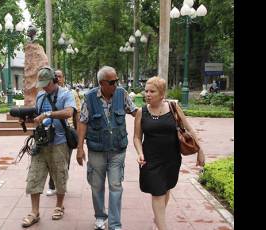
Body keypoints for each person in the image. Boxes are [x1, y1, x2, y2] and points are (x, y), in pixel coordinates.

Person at [133, 76, 205, 230]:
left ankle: (158, 220)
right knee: (157, 192)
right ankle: (162, 226)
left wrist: (200, 151)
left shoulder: (173, 107)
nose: (148, 94)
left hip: (171, 158)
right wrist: (139, 152)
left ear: (162, 93)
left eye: (152, 91)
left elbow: (190, 129)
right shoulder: (141, 112)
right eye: (146, 91)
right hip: (150, 159)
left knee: (165, 189)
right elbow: (137, 137)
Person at [76, 66, 137, 230]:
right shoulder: (89, 98)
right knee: (97, 186)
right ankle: (100, 217)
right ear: (102, 83)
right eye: (112, 82)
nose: (116, 84)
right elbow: (82, 121)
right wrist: (79, 147)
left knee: (116, 185)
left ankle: (115, 224)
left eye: (117, 80)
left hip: (118, 149)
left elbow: (135, 112)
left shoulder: (122, 94)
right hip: (97, 150)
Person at [21, 66, 76, 227]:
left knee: (60, 176)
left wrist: (48, 114)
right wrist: (27, 119)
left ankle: (59, 206)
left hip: (59, 143)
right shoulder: (40, 96)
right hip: (41, 143)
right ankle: (34, 212)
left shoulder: (65, 94)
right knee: (34, 176)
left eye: (47, 83)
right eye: (42, 84)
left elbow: (68, 112)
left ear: (55, 80)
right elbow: (37, 114)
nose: (45, 87)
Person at [45, 69, 82, 196]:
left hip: (68, 131)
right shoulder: (47, 94)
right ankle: (52, 184)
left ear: (64, 78)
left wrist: (78, 134)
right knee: (50, 160)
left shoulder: (71, 93)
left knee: (65, 161)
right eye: (56, 76)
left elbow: (77, 114)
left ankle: (61, 184)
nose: (58, 78)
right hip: (51, 130)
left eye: (60, 76)